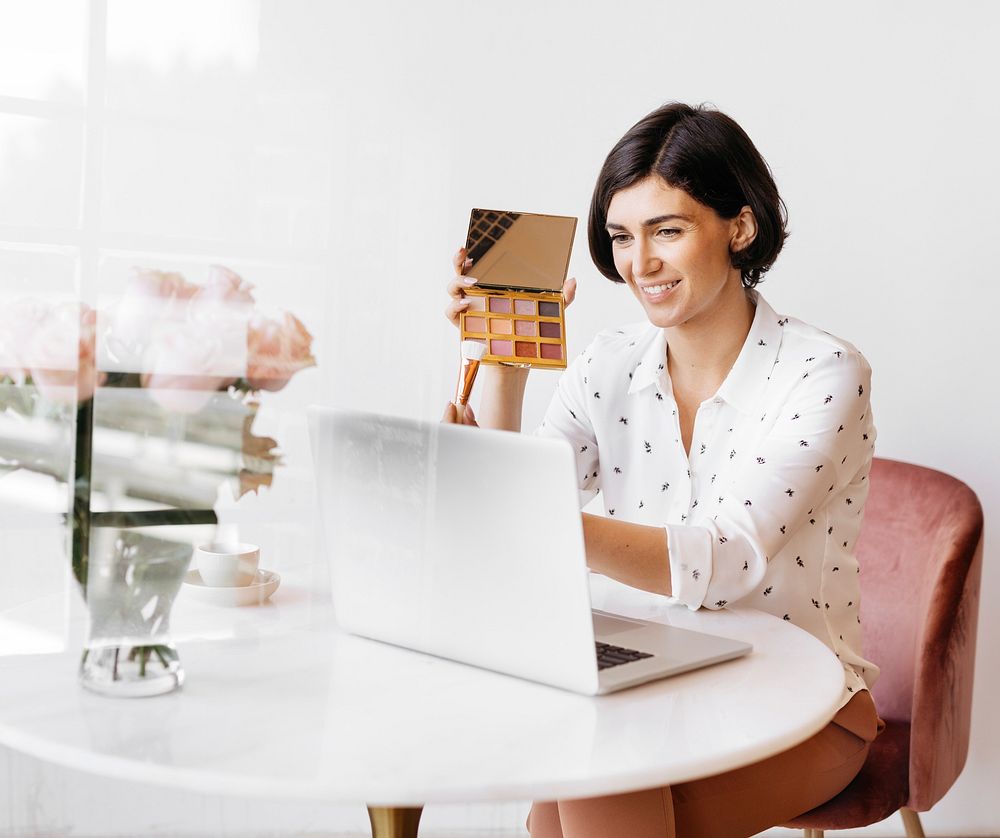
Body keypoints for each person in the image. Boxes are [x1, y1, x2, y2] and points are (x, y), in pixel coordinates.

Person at [443, 102, 882, 838]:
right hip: (645, 688)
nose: (638, 263)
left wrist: (535, 518)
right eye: (621, 236)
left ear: (739, 227)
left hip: (800, 706)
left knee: (587, 798)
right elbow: (500, 522)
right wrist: (503, 358)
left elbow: (727, 554)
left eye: (667, 231)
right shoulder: (607, 364)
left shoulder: (824, 374)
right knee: (571, 799)